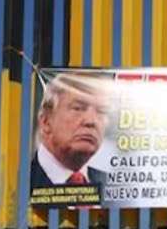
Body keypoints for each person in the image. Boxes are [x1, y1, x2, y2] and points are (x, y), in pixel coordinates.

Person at [29, 73, 110, 202]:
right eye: (78, 108)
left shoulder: (114, 187)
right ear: (46, 122)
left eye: (101, 111)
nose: (91, 121)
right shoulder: (20, 182)